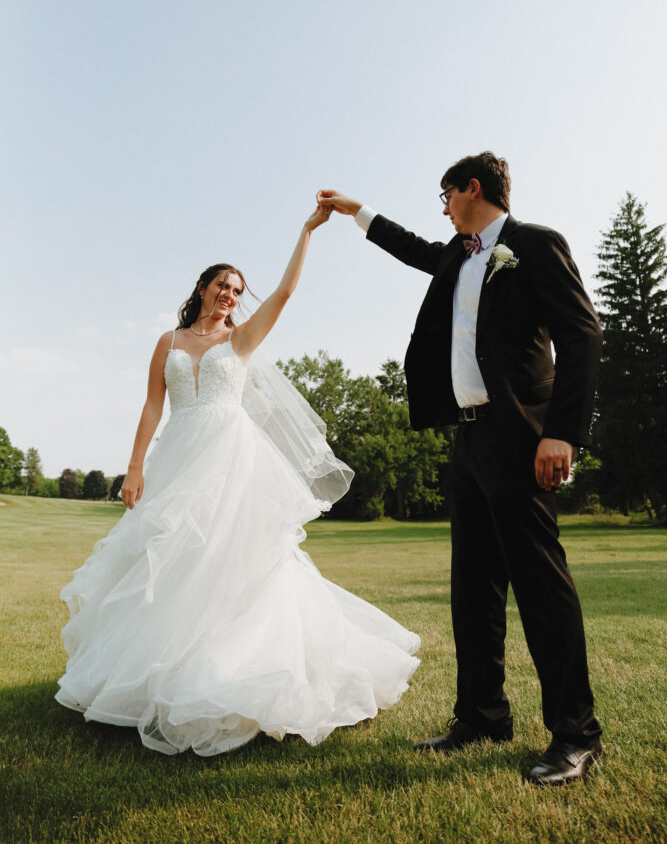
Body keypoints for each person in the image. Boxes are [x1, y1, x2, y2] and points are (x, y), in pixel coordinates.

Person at [56, 204, 420, 756]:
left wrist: (306, 232)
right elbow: (152, 407)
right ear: (203, 288)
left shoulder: (242, 340)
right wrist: (134, 468)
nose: (230, 294)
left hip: (231, 458)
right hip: (179, 456)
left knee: (237, 562)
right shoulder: (169, 343)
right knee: (172, 561)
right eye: (222, 285)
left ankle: (231, 673)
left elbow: (285, 294)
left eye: (237, 289)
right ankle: (160, 674)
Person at [318, 152, 603, 785]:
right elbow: (414, 248)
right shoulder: (458, 254)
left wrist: (561, 433)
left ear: (472, 188)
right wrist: (355, 212)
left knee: (540, 586)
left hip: (521, 437)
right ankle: (481, 716)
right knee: (472, 588)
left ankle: (577, 735)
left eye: (445, 195)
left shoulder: (533, 245)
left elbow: (582, 334)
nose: (443, 208)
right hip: (467, 441)